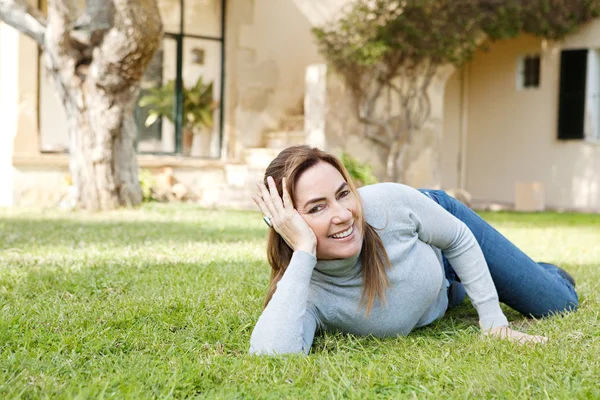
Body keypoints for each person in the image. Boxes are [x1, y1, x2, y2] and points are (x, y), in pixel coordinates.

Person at [249, 145, 578, 355]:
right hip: (441, 287)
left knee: (557, 303)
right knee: (467, 287)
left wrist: (493, 322)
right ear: (285, 223)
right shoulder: (306, 293)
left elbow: (458, 239)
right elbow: (272, 356)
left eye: (343, 193)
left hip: (437, 236)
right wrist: (304, 249)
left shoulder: (388, 203)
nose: (343, 214)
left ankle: (535, 271)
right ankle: (507, 272)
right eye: (317, 208)